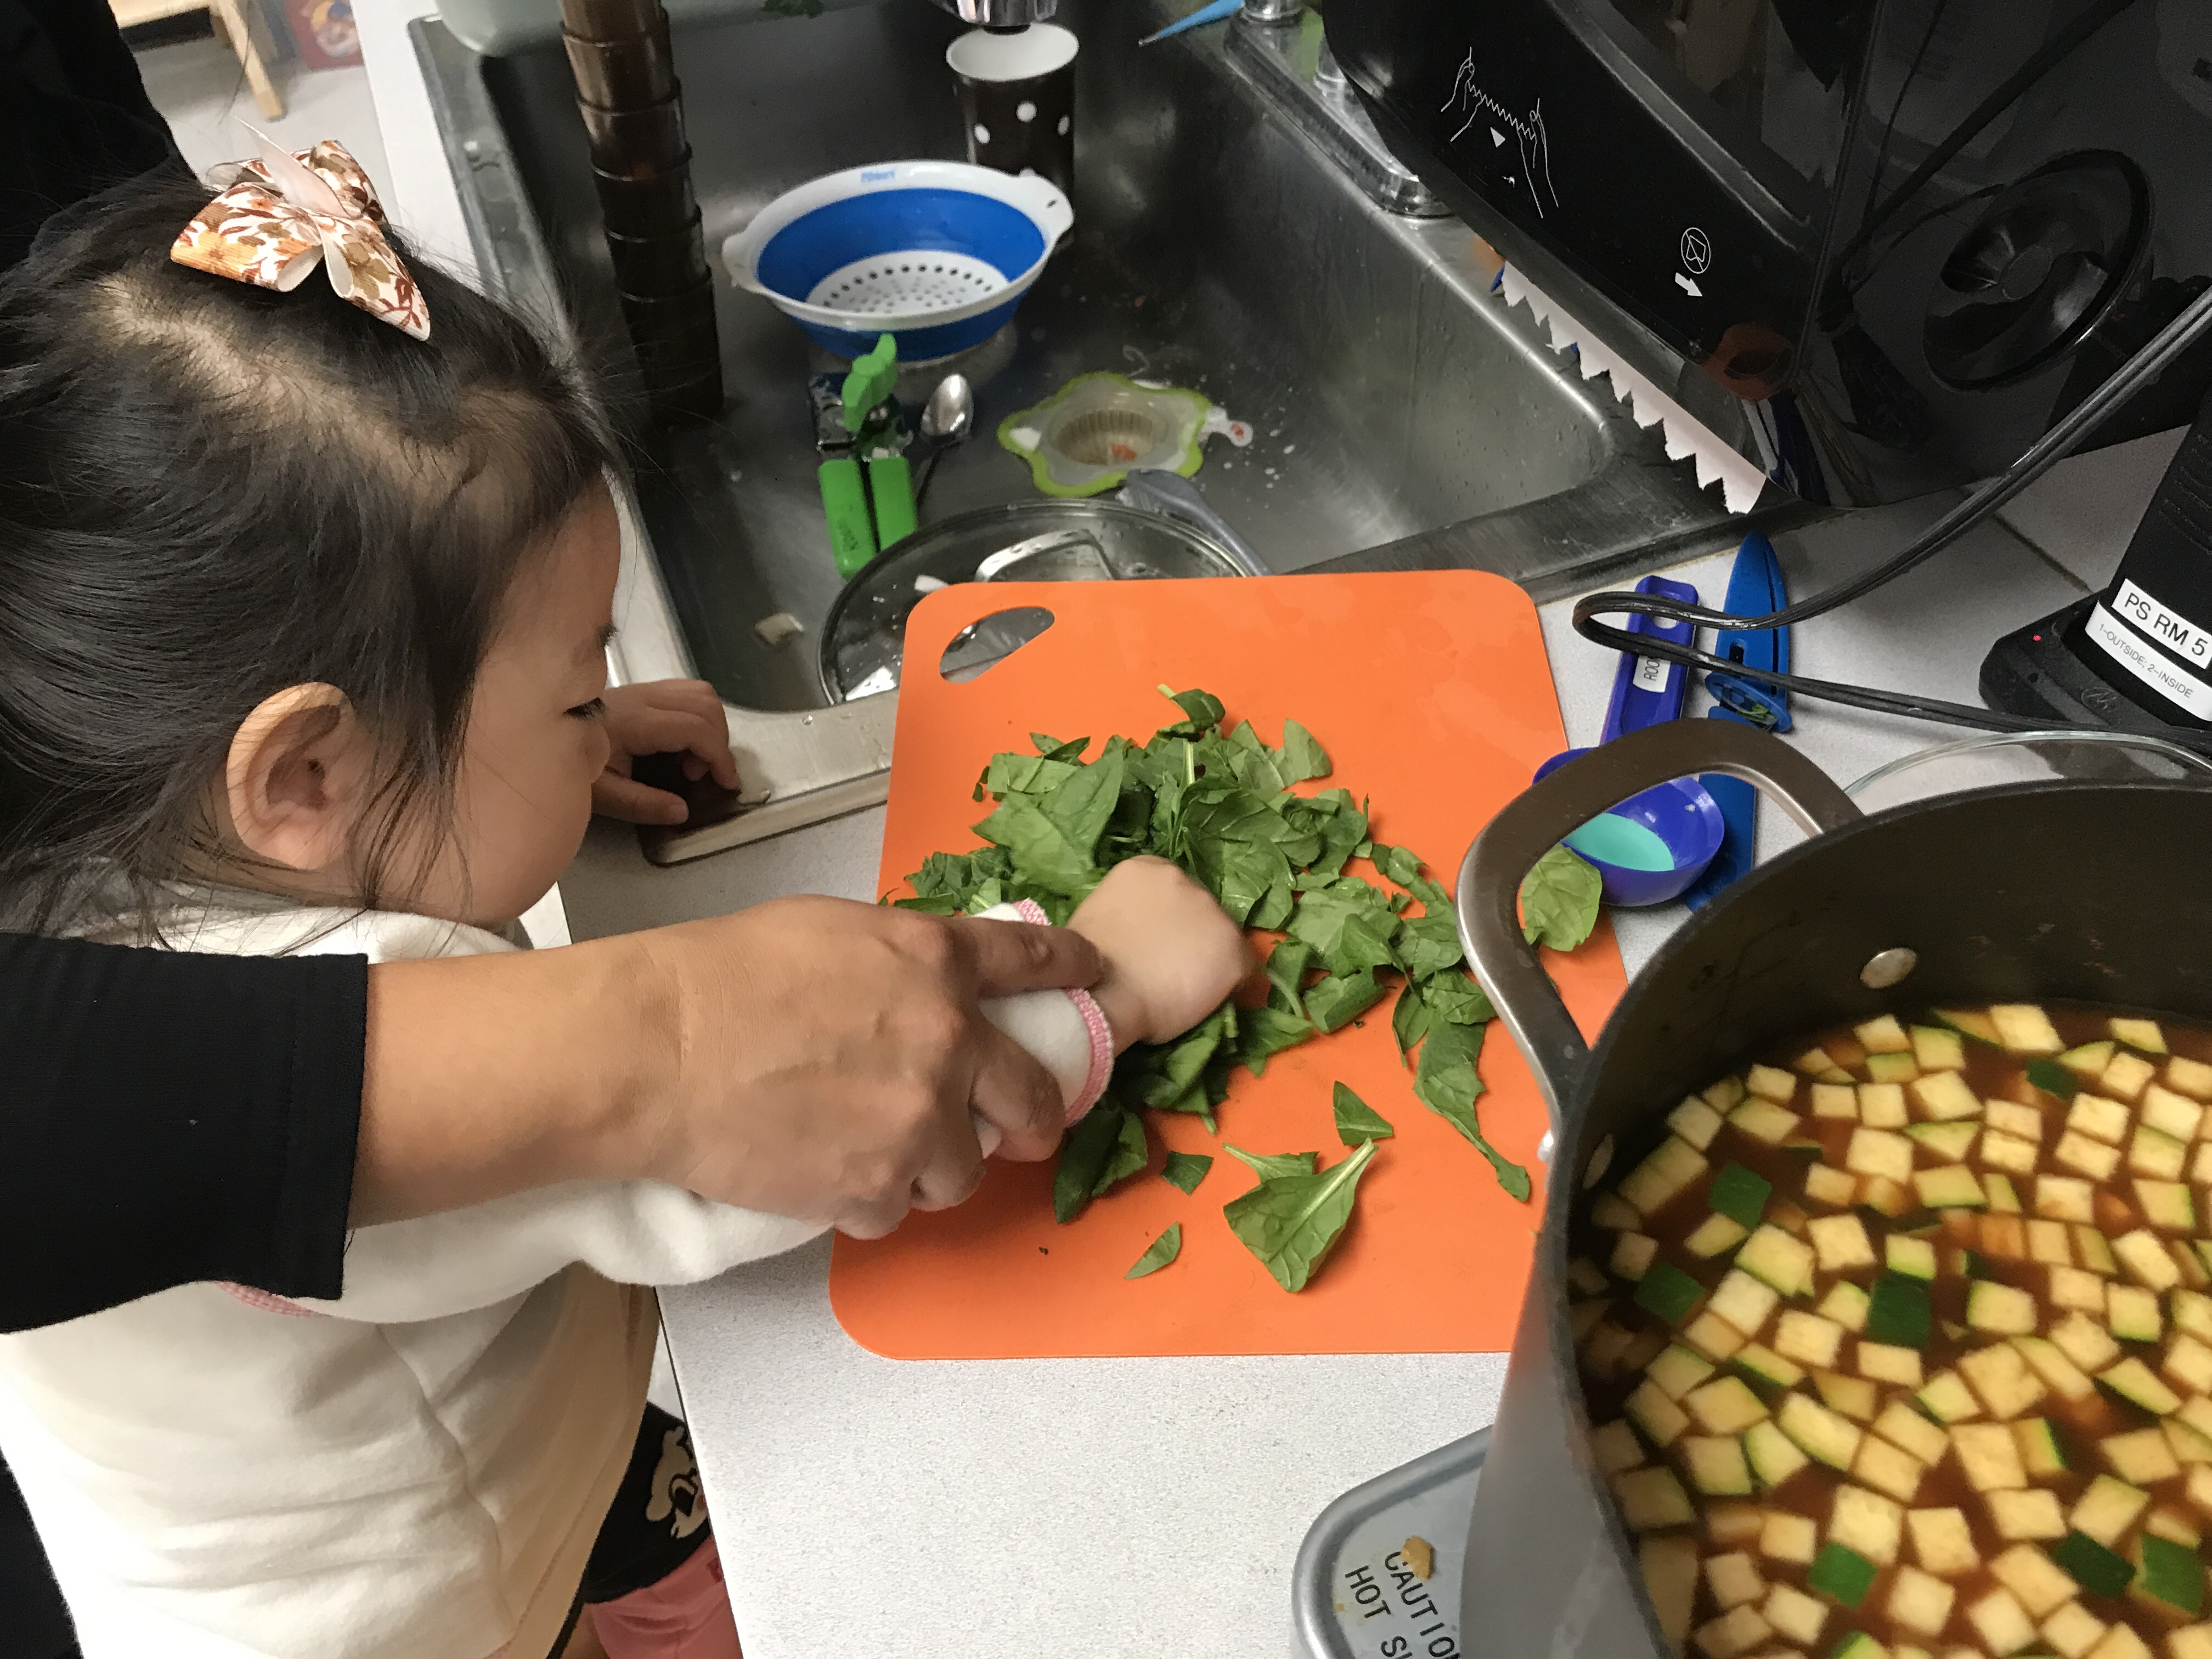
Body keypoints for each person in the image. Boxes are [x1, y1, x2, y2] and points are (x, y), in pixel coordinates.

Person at [0, 149, 1252, 1657]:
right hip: (420, 1610)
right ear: (310, 774)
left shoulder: (88, 825)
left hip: (369, 1461)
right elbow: (785, 1126)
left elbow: (408, 815)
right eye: (574, 687)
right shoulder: (373, 986)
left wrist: (535, 749)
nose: (601, 711)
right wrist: (1108, 991)